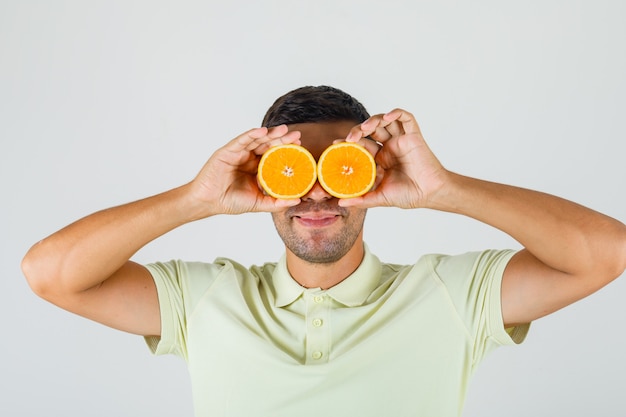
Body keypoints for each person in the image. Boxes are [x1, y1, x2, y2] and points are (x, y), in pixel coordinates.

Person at [22, 86, 626, 417]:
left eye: (340, 169)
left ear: (373, 173)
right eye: (292, 170)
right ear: (261, 178)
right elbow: (49, 274)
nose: (316, 191)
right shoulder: (205, 299)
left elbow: (605, 252)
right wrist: (196, 198)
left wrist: (444, 190)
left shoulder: (450, 296)